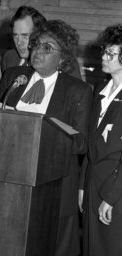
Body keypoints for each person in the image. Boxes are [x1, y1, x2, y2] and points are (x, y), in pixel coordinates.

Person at [0, 19, 92, 256]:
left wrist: (48, 132)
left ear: (64, 57)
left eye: (48, 48)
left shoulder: (77, 91)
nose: (37, 51)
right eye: (37, 45)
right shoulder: (13, 76)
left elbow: (81, 143)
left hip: (55, 186)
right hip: (11, 179)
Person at [79, 23, 122, 256]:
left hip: (115, 192)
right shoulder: (101, 90)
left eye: (111, 53)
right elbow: (91, 143)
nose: (103, 57)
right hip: (93, 187)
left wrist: (112, 197)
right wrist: (82, 184)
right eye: (104, 51)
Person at [1, 5, 82, 79]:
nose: (19, 43)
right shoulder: (9, 58)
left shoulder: (63, 61)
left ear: (39, 35)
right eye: (15, 35)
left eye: (25, 35)